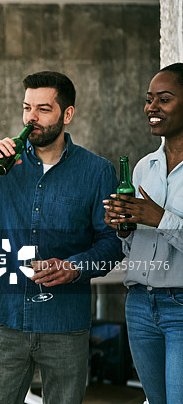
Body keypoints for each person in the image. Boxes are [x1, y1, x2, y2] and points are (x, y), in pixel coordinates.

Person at [0, 70, 123, 404]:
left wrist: (75, 267)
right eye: (26, 107)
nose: (31, 118)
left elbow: (112, 243)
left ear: (67, 114)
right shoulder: (0, 163)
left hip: (65, 323)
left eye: (43, 109)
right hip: (6, 318)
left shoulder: (96, 171)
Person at [103, 63, 183, 404]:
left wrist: (161, 217)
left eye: (164, 99)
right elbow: (135, 244)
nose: (152, 107)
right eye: (149, 99)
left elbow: (161, 222)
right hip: (139, 304)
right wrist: (124, 227)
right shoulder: (143, 168)